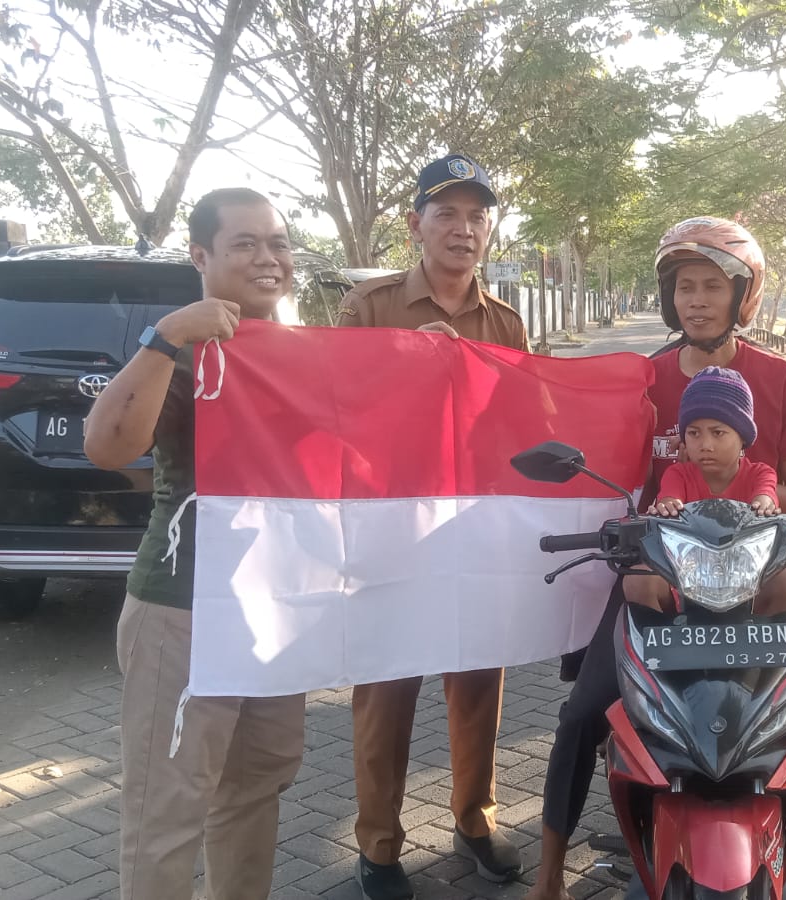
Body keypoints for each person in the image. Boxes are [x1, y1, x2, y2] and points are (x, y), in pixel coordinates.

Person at [524, 217, 786, 900]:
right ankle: (549, 874)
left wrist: (752, 505)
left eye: (711, 287)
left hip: (762, 572)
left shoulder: (783, 379)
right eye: (684, 288)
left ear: (742, 295)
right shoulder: (636, 379)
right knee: (583, 714)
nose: (696, 301)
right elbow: (602, 460)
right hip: (659, 572)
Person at [84, 188, 307, 900]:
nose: (267, 258)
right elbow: (106, 446)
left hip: (271, 614)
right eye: (245, 244)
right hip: (181, 611)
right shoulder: (181, 354)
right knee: (167, 809)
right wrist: (168, 335)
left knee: (257, 786)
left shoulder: (295, 352)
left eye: (277, 242)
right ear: (201, 256)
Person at [338, 153, 527, 899]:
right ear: (415, 224)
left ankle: (474, 819)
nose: (463, 228)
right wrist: (418, 369)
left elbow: (517, 424)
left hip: (475, 530)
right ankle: (379, 844)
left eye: (477, 215)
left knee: (478, 682)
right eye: (446, 213)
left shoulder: (506, 321)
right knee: (386, 691)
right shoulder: (370, 309)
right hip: (391, 529)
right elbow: (341, 416)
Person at [624, 366, 786, 614]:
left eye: (718, 433)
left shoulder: (761, 474)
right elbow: (670, 497)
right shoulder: (677, 474)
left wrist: (765, 502)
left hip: (749, 584)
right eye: (694, 433)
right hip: (684, 584)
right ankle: (655, 645)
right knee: (637, 581)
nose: (705, 445)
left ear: (743, 436)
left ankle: (767, 643)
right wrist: (665, 506)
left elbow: (765, 495)